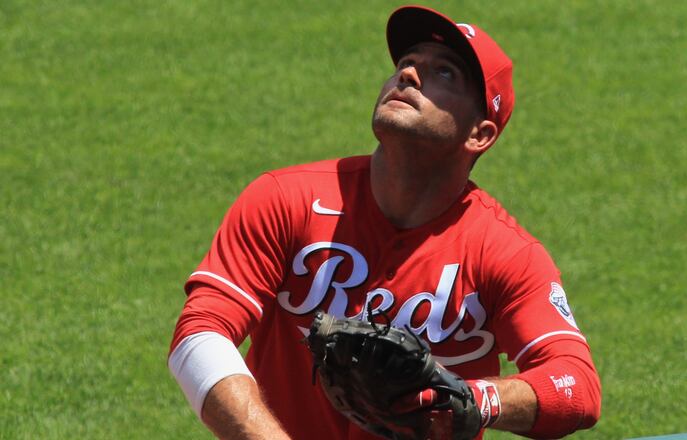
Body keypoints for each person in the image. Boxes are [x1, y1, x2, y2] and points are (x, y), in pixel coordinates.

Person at [168, 5, 601, 439]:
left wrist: (478, 399)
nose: (409, 75)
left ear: (479, 134)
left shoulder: (504, 253)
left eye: (444, 73)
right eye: (406, 63)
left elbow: (577, 386)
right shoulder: (287, 199)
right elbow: (199, 334)